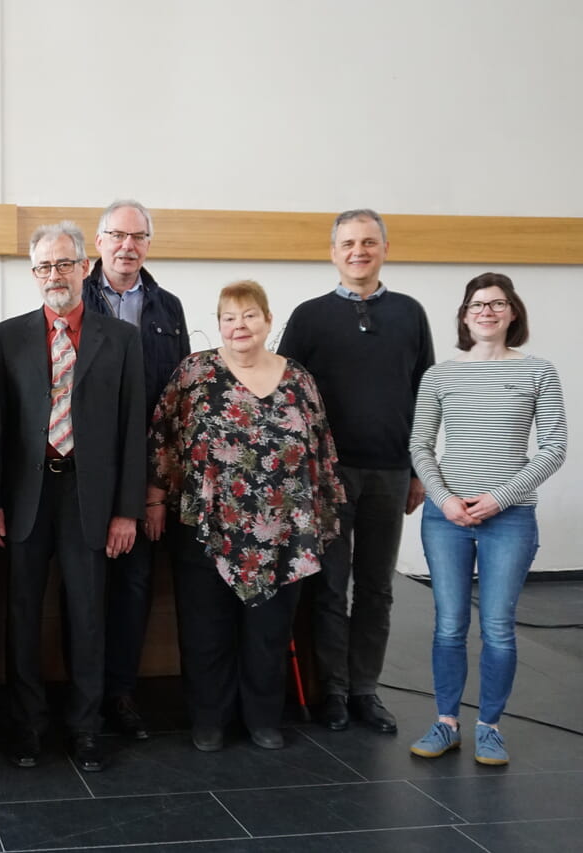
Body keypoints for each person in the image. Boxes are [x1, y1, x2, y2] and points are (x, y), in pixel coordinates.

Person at [148, 280, 345, 751]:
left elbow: (320, 446)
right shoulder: (193, 372)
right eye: (229, 317)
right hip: (206, 526)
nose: (240, 326)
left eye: (250, 315)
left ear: (268, 321)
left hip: (283, 531)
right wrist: (154, 499)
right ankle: (209, 721)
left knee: (268, 632)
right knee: (204, 630)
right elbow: (162, 438)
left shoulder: (298, 378)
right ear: (218, 325)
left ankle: (262, 718)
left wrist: (323, 514)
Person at [0, 221, 146, 773]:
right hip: (26, 496)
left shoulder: (122, 340)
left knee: (87, 615)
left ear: (85, 267)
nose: (54, 274)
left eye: (63, 263)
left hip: (90, 496)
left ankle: (85, 727)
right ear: (34, 274)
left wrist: (127, 508)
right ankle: (28, 725)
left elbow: (133, 431)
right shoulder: (7, 337)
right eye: (43, 266)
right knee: (23, 615)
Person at [277, 208, 434, 735]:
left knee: (377, 588)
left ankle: (366, 689)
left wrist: (419, 472)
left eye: (369, 242)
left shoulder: (410, 314)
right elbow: (284, 399)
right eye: (348, 243)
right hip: (329, 475)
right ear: (333, 252)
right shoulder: (309, 316)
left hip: (391, 473)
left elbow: (425, 399)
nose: (358, 252)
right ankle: (334, 693)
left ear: (385, 248)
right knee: (329, 586)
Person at [407, 273, 566, 766]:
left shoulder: (538, 370)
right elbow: (420, 445)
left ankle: (489, 727)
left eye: (498, 304)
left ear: (513, 313)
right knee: (449, 626)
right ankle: (446, 722)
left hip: (510, 517)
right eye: (478, 304)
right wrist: (445, 498)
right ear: (464, 315)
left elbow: (555, 449)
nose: (487, 311)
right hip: (445, 515)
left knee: (497, 628)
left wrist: (500, 497)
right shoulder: (440, 376)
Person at [82, 199, 190, 740]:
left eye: (138, 236)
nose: (128, 246)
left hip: (143, 474)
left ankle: (120, 693)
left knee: (133, 586)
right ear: (97, 241)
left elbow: (179, 405)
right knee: (84, 589)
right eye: (117, 235)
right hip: (81, 473)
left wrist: (154, 491)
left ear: (148, 243)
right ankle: (84, 697)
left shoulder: (168, 309)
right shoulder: (72, 300)